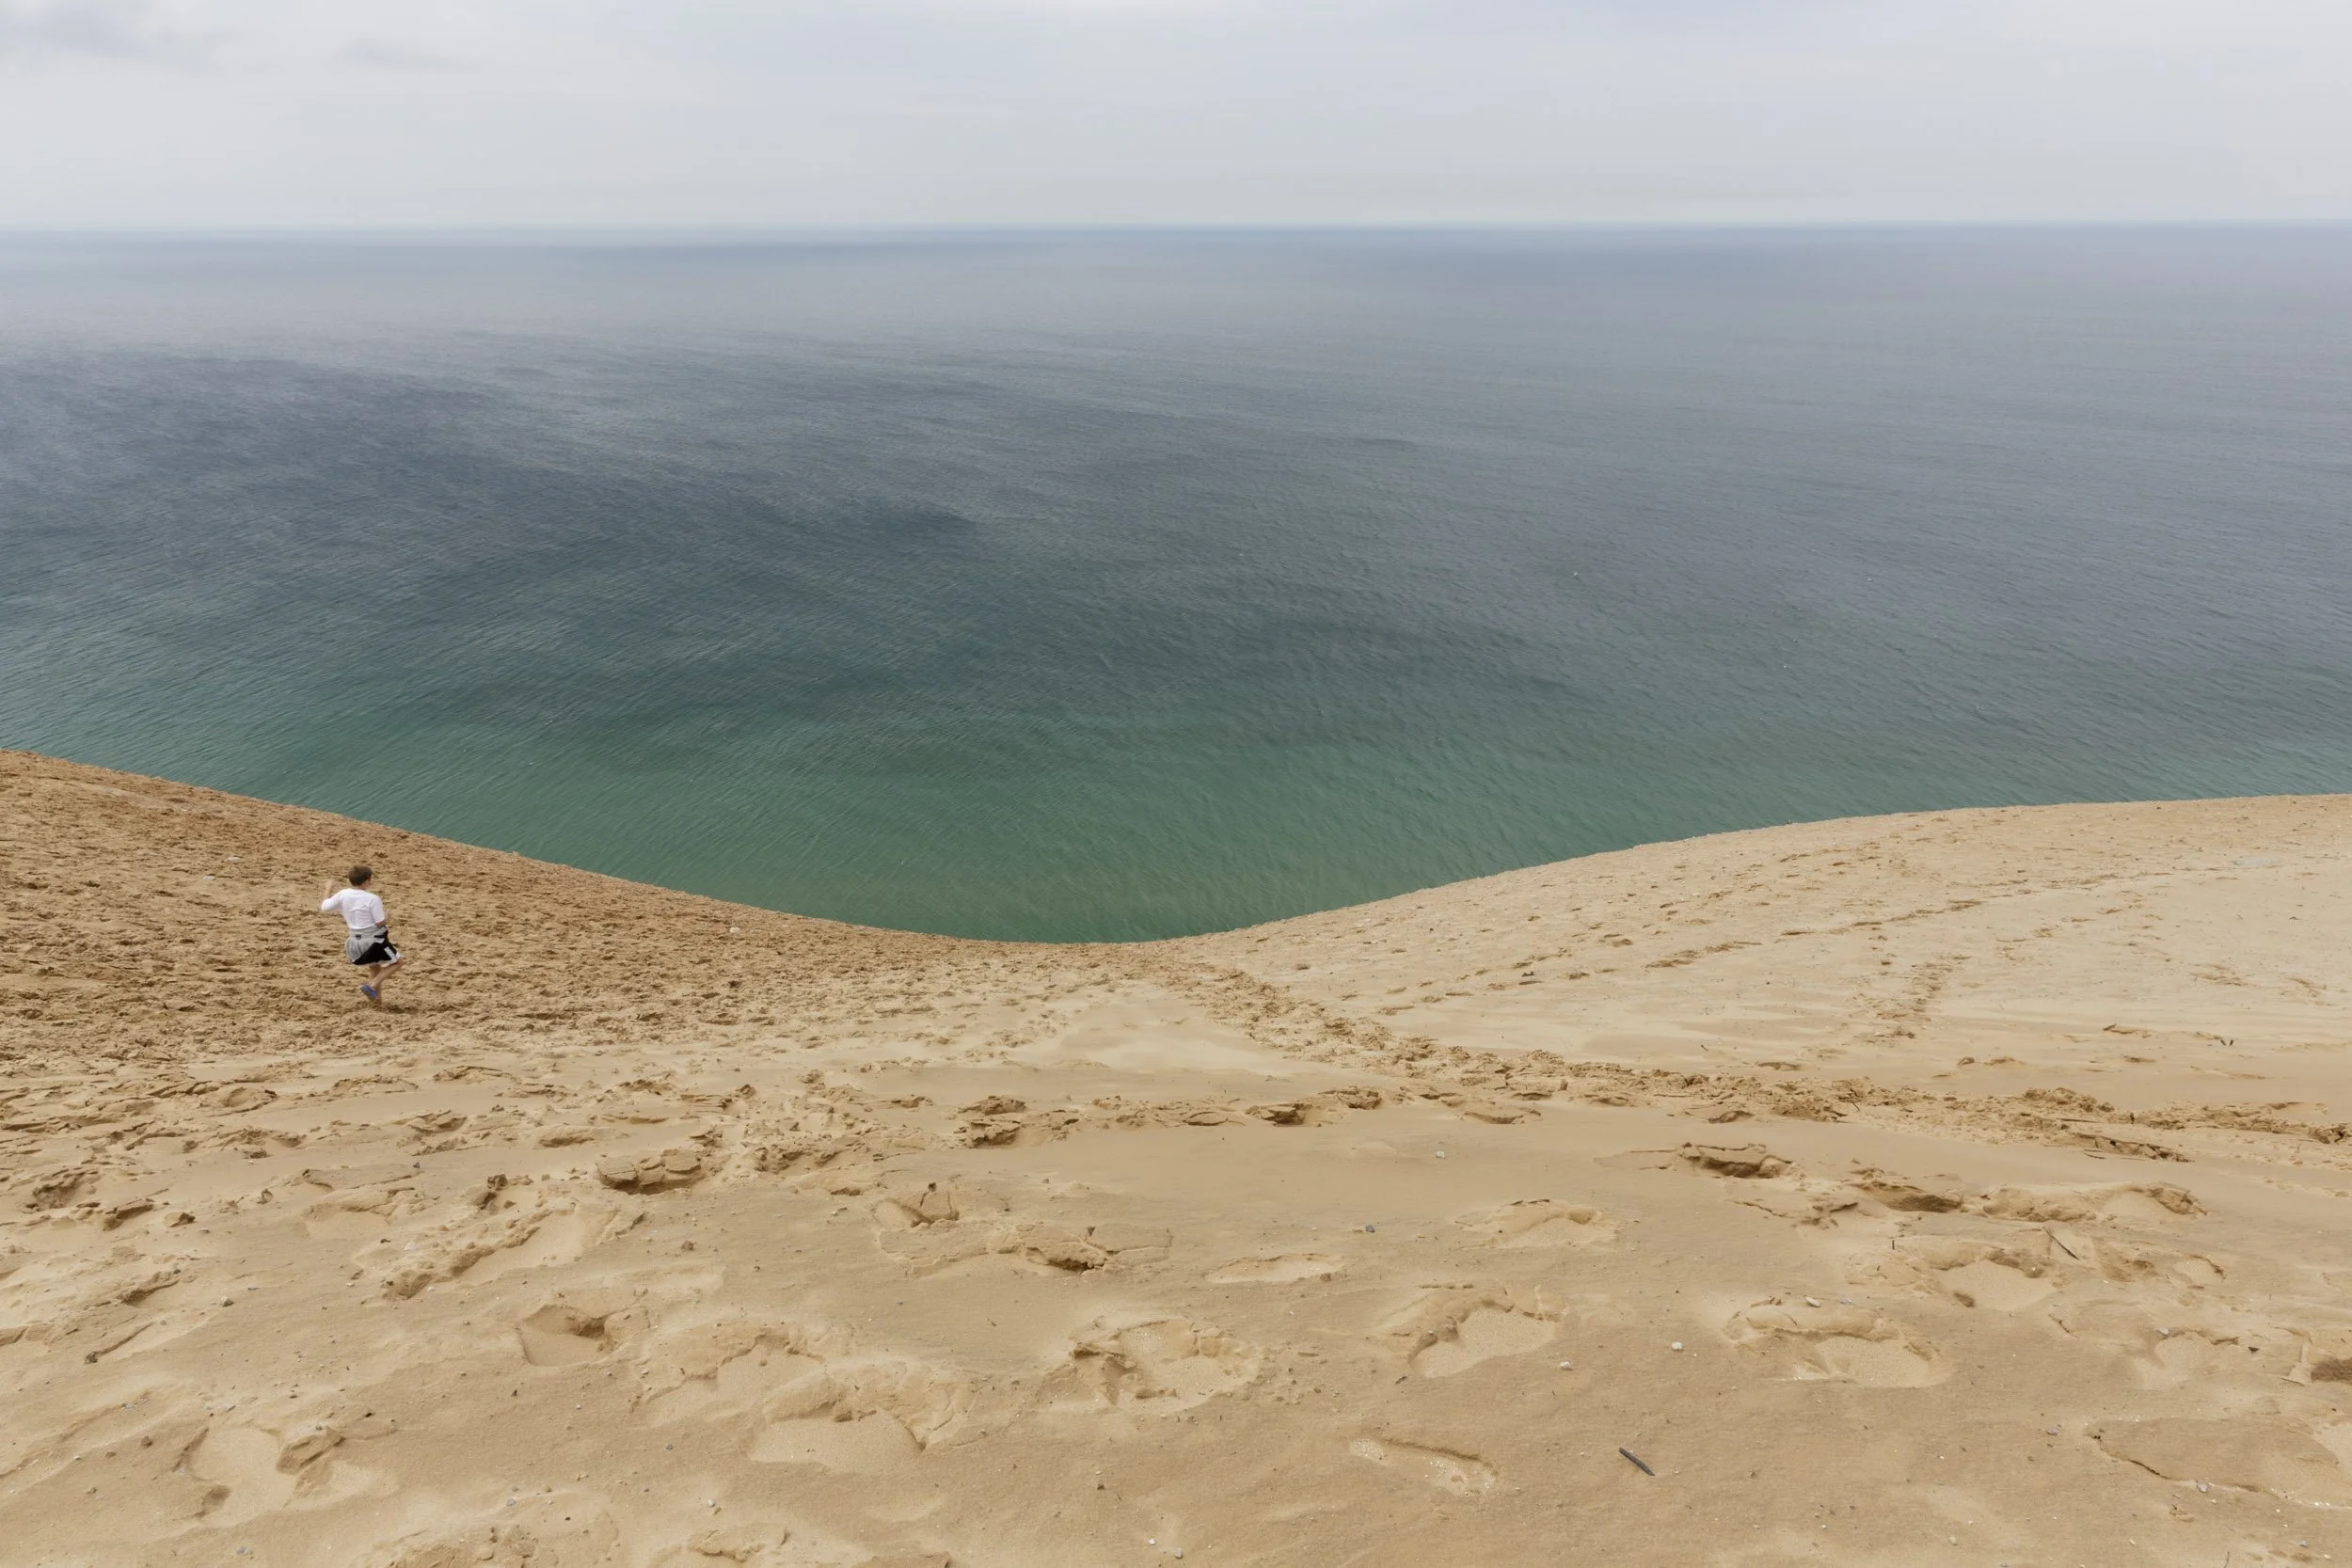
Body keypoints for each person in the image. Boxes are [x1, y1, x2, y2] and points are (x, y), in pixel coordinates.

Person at [320, 864, 403, 1004]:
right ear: (366, 881)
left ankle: (376, 1002)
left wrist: (328, 888)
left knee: (375, 967)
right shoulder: (372, 898)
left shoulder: (343, 894)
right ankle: (371, 985)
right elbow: (379, 922)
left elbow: (324, 907)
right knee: (398, 962)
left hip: (353, 942)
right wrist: (388, 918)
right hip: (373, 942)